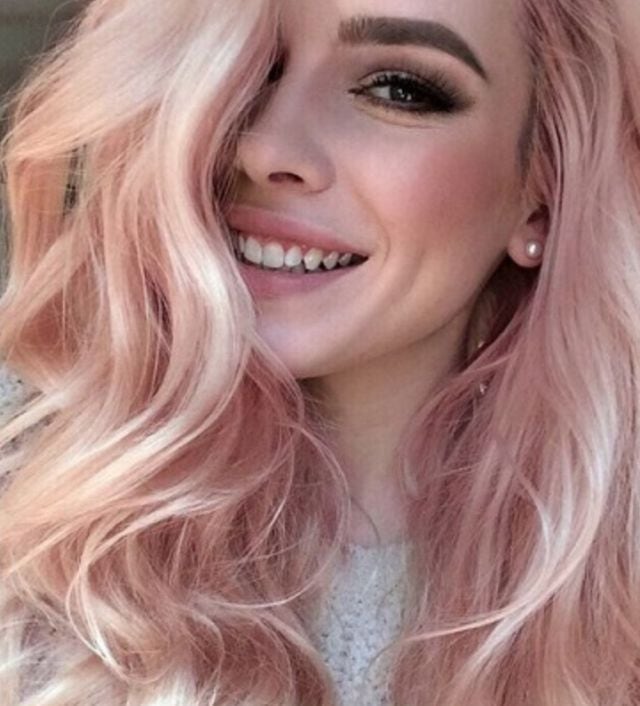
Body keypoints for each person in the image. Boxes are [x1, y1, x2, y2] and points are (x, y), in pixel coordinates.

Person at [0, 0, 639, 704]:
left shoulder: (616, 580)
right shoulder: (29, 491)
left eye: (398, 89)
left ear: (541, 194)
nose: (266, 149)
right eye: (252, 69)